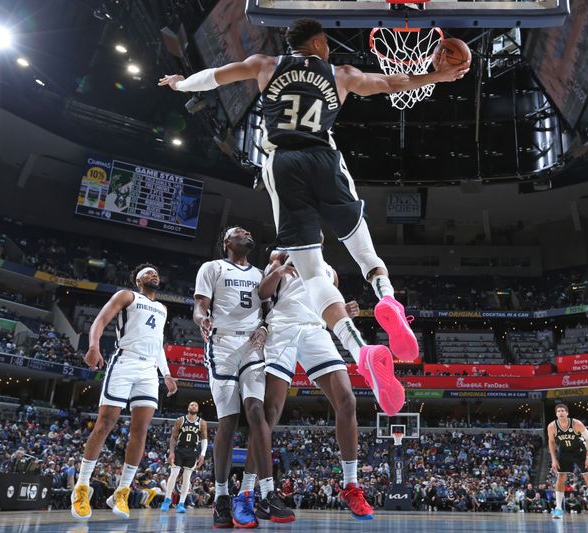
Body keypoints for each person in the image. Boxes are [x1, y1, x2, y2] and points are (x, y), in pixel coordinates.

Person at [159, 18, 468, 417]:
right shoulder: (341, 73)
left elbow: (214, 78)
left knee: (313, 276)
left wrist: (181, 83)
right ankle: (387, 297)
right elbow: (392, 83)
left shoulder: (264, 64)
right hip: (324, 156)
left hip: (283, 162)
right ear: (320, 43)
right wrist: (436, 76)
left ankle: (361, 351)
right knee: (361, 247)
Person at [256, 246, 373, 519]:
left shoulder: (330, 271)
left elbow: (329, 308)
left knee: (347, 400)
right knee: (270, 411)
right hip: (282, 328)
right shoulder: (282, 255)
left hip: (315, 331)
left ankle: (351, 486)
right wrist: (279, 269)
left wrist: (346, 311)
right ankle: (254, 491)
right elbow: (263, 293)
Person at [193, 227, 294, 528]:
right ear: (226, 242)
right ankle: (222, 497)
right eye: (239, 232)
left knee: (256, 411)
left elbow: (267, 310)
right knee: (229, 419)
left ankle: (267, 492)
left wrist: (264, 328)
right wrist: (202, 319)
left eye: (249, 232)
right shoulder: (212, 267)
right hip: (222, 342)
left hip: (252, 344)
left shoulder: (261, 273)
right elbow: (200, 305)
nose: (247, 233)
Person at [70, 264, 178, 520]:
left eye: (157, 272)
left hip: (149, 369)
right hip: (125, 361)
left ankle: (122, 491)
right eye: (149, 272)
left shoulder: (162, 308)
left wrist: (167, 373)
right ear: (138, 280)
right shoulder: (127, 295)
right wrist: (93, 346)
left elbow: (158, 344)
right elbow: (101, 320)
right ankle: (81, 487)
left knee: (140, 430)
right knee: (105, 423)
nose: (155, 274)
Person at [547, 403, 588, 520]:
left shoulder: (576, 424)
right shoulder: (552, 426)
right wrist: (553, 458)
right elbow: (551, 442)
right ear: (556, 414)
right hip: (564, 452)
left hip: (580, 451)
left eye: (563, 410)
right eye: (558, 411)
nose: (560, 413)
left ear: (567, 413)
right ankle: (558, 508)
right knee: (561, 478)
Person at [161, 401, 208, 513]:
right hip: (180, 450)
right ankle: (167, 500)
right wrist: (171, 452)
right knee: (173, 475)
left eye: (196, 405)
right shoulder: (180, 420)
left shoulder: (202, 422)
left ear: (198, 409)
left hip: (192, 452)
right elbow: (173, 437)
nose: (194, 406)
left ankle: (181, 503)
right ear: (188, 407)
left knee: (187, 478)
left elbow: (204, 439)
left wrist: (203, 454)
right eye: (192, 404)